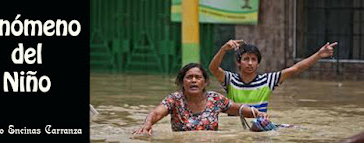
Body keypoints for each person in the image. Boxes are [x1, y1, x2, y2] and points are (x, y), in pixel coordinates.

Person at [133, 63, 269, 135]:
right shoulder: (174, 100)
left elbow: (238, 109)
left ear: (204, 82)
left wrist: (257, 113)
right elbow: (156, 113)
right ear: (182, 81)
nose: (193, 81)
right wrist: (147, 125)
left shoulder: (215, 99)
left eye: (198, 78)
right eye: (189, 77)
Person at [209, 40, 338, 112]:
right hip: (235, 127)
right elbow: (213, 69)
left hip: (260, 126)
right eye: (246, 59)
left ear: (258, 64)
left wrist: (318, 55)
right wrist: (223, 49)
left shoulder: (267, 80)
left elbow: (295, 69)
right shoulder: (230, 80)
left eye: (253, 59)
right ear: (238, 62)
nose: (250, 63)